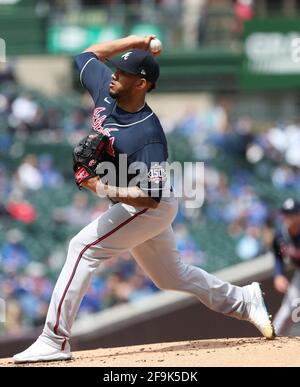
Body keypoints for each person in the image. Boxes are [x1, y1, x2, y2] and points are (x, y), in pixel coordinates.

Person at [13, 35, 275, 363]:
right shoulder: (106, 91)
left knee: (82, 249)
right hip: (134, 201)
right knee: (170, 276)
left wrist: (99, 187)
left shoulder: (148, 134)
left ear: (140, 83)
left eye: (121, 72)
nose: (113, 74)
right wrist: (136, 41)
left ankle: (54, 339)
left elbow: (149, 199)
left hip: (150, 206)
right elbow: (87, 54)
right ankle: (243, 299)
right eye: (115, 68)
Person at [272, 198, 300, 336]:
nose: (287, 217)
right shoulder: (281, 234)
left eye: (291, 214)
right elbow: (278, 255)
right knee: (289, 308)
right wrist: (278, 274)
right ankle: (273, 340)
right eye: (285, 214)